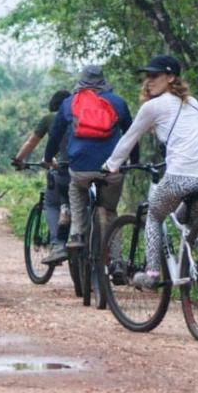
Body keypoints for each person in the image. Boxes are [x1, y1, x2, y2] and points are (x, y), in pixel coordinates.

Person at [103, 55, 198, 289]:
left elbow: (129, 138)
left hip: (179, 176)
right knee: (186, 216)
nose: (149, 81)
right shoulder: (194, 103)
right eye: (147, 76)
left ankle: (152, 274)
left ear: (171, 77)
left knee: (154, 216)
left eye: (155, 75)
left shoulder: (153, 106)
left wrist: (110, 166)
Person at [44, 65, 133, 258]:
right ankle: (116, 259)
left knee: (76, 189)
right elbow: (131, 136)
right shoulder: (118, 102)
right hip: (112, 169)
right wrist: (134, 162)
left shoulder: (69, 103)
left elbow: (55, 136)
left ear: (81, 81)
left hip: (80, 168)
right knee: (109, 210)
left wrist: (47, 158)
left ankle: (76, 234)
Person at [11, 89, 72, 264]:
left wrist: (19, 160)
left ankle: (57, 244)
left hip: (64, 169)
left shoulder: (51, 118)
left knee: (51, 203)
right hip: (93, 167)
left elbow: (31, 141)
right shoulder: (81, 116)